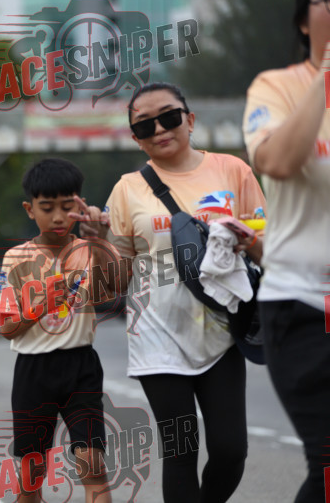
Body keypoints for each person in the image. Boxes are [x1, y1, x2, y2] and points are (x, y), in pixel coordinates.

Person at [104, 82, 266, 503]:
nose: (159, 129)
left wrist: (248, 240)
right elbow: (116, 279)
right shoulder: (127, 189)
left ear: (190, 120)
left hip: (222, 332)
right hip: (156, 337)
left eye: (169, 117)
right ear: (136, 138)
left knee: (231, 451)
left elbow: (270, 249)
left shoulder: (233, 171)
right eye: (145, 125)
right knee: (181, 451)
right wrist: (97, 245)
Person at [242, 0, 330, 499]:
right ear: (303, 19)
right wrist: (326, 73)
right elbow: (277, 160)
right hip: (303, 304)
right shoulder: (276, 87)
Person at [0, 158, 114, 503]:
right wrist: (39, 306)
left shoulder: (89, 250)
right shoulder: (17, 258)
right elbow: (5, 326)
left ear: (80, 205)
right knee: (31, 475)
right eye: (47, 208)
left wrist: (101, 240)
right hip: (33, 370)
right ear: (30, 209)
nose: (58, 217)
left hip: (81, 366)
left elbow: (111, 291)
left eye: (66, 207)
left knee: (92, 464)